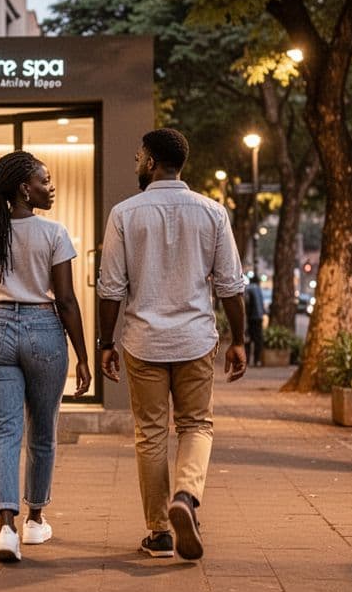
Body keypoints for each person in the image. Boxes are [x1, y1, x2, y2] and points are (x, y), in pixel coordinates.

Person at [97, 128, 247, 561]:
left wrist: (106, 343)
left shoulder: (124, 214)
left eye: (138, 156)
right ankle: (186, 495)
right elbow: (231, 285)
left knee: (150, 433)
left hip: (143, 341)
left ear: (150, 161)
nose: (136, 163)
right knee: (196, 425)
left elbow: (111, 288)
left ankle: (160, 532)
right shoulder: (212, 212)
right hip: (195, 339)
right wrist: (239, 340)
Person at [0, 150, 93, 563]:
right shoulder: (54, 233)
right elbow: (66, 300)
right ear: (24, 188)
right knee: (42, 431)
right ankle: (35, 520)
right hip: (44, 331)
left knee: (2, 433)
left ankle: (6, 528)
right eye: (44, 181)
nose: (50, 188)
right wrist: (83, 356)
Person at [245, 275, 266, 366]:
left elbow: (247, 303)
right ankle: (256, 360)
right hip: (259, 318)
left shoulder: (248, 289)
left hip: (251, 318)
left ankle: (247, 360)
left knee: (248, 338)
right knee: (258, 339)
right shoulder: (259, 289)